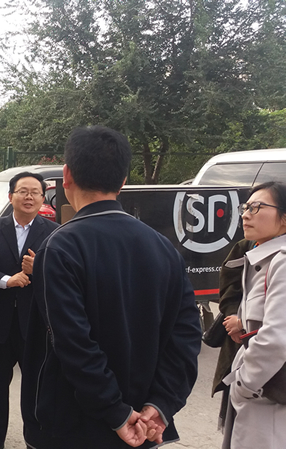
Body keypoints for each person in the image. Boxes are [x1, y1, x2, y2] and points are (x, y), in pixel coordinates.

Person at [20, 126, 202, 448]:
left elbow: (73, 344)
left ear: (66, 175)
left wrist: (116, 412)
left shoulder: (60, 248)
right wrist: (161, 404)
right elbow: (186, 335)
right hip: (145, 426)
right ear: (123, 181)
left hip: (75, 427)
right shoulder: (163, 248)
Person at [0, 172, 59, 449]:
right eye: (23, 191)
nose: (28, 197)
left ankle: (36, 439)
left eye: (35, 192)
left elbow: (64, 275)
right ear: (11, 196)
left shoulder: (55, 232)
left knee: (35, 385)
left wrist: (38, 268)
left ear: (42, 199)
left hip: (35, 324)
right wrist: (7, 280)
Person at [220, 181, 286, 448]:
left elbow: (275, 339)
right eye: (245, 208)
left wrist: (244, 385)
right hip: (259, 397)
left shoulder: (282, 262)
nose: (246, 215)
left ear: (284, 218)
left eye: (257, 207)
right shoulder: (260, 256)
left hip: (269, 400)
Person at [211, 239, 253, 434]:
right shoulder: (247, 246)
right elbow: (229, 285)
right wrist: (233, 315)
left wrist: (244, 322)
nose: (245, 223)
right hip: (240, 349)